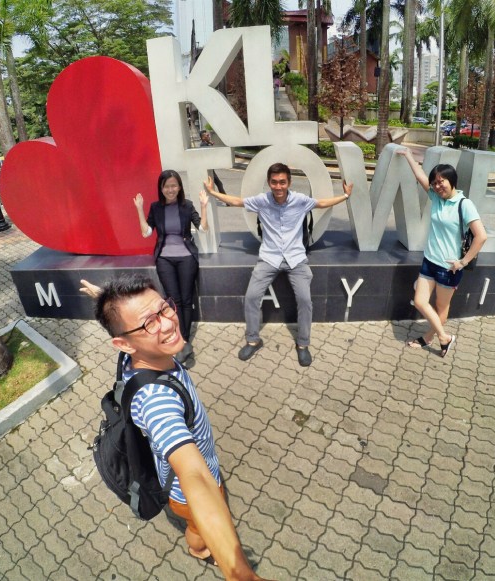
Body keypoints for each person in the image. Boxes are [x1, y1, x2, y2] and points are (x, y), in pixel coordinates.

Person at [87, 275, 272, 581]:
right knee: (200, 524)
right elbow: (194, 475)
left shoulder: (131, 353)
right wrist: (241, 574)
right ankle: (199, 548)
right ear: (123, 342)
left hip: (182, 475)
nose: (167, 323)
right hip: (185, 492)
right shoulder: (157, 403)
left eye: (164, 309)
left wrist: (101, 296)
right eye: (150, 323)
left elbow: (126, 319)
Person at [203, 163, 353, 367]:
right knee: (252, 297)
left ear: (289, 182)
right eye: (274, 182)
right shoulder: (262, 201)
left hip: (296, 259)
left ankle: (303, 344)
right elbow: (237, 201)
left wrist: (345, 196)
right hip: (269, 258)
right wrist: (212, 192)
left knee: (305, 300)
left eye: (282, 182)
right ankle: (253, 339)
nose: (278, 186)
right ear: (269, 183)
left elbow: (321, 203)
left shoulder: (299, 200)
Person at [397, 148, 487, 357]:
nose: (438, 186)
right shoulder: (436, 197)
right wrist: (409, 155)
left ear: (452, 180)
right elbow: (420, 176)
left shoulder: (465, 205)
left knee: (440, 307)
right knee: (420, 301)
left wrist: (462, 262)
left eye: (442, 182)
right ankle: (444, 337)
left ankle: (430, 337)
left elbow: (481, 236)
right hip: (430, 260)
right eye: (435, 183)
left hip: (449, 267)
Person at [133, 170, 208, 365]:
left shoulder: (187, 206)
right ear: (161, 188)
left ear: (179, 187)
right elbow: (146, 233)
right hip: (165, 258)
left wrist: (204, 207)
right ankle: (179, 341)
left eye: (174, 185)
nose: (170, 189)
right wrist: (139, 209)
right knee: (173, 300)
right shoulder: (156, 208)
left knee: (185, 299)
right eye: (166, 186)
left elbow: (203, 229)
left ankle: (183, 339)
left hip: (186, 258)